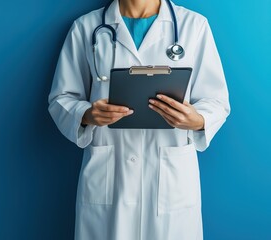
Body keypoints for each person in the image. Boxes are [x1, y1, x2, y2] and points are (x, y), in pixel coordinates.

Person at [48, 0, 230, 239]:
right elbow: (62, 97)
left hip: (169, 180)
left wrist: (196, 120)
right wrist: (87, 114)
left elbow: (216, 101)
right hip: (110, 179)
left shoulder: (193, 26)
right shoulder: (86, 27)